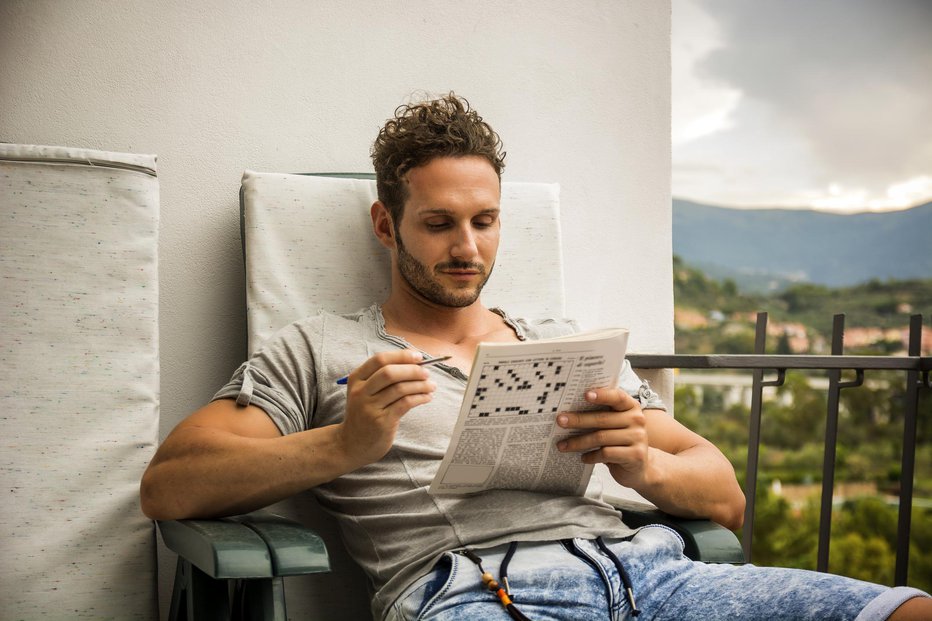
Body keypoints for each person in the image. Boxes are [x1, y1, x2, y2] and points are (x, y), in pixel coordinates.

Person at [141, 93, 931, 621]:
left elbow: (724, 498)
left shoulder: (561, 343)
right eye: (439, 223)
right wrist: (343, 444)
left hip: (651, 573)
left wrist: (643, 470)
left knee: (905, 609)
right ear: (386, 225)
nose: (467, 247)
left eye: (485, 221)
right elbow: (170, 485)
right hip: (479, 592)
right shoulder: (320, 347)